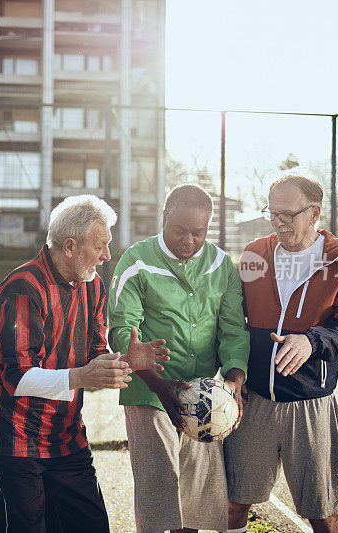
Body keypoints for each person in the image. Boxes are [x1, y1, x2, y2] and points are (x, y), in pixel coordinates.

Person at [0, 194, 171, 533]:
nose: (107, 255)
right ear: (70, 246)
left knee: (92, 525)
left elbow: (95, 350)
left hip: (66, 436)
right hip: (17, 440)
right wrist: (82, 376)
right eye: (100, 246)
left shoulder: (93, 285)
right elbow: (16, 378)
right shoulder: (23, 289)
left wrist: (125, 360)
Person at [224, 168, 338, 533]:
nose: (278, 222)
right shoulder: (255, 254)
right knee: (233, 501)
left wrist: (311, 340)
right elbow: (232, 320)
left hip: (309, 403)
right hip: (254, 400)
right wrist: (233, 374)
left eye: (287, 214)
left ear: (314, 212)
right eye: (271, 213)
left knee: (321, 511)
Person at [108, 184, 250, 533]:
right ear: (164, 219)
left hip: (203, 395)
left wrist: (233, 382)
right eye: (179, 230)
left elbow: (233, 328)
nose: (188, 240)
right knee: (159, 497)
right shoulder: (136, 261)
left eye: (198, 233)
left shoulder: (221, 265)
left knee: (193, 505)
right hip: (148, 391)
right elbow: (120, 328)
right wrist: (154, 379)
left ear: (209, 228)